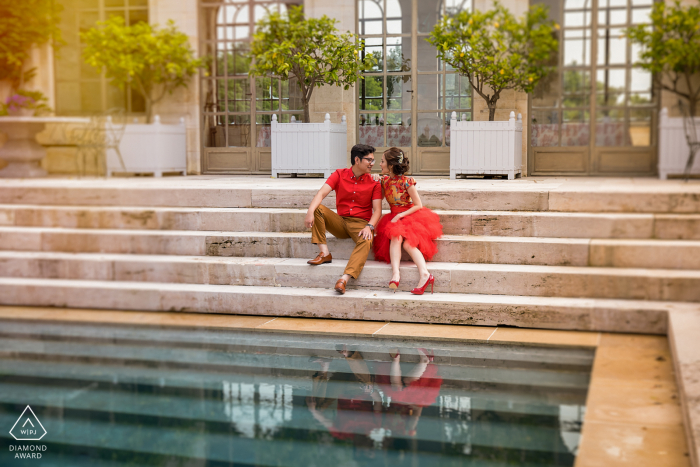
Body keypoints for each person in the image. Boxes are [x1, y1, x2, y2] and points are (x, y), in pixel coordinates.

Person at [305, 144, 383, 294]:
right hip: (340, 222)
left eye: (373, 160)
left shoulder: (374, 181)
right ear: (357, 160)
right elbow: (321, 194)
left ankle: (344, 279)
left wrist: (370, 226)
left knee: (367, 240)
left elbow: (378, 210)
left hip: (360, 225)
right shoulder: (339, 174)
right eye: (369, 160)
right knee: (318, 208)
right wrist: (310, 211)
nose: (373, 164)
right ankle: (324, 253)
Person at [372, 148, 443, 294]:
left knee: (409, 245)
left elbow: (418, 205)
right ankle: (395, 274)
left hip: (410, 216)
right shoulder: (384, 181)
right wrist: (374, 181)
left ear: (391, 165)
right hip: (394, 217)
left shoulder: (407, 182)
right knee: (395, 237)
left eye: (382, 161)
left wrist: (399, 215)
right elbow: (381, 198)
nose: (379, 164)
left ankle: (425, 274)